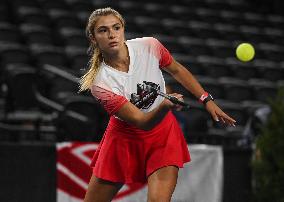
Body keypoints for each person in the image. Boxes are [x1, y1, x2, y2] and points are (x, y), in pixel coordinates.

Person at [79, 7, 236, 202]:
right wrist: (164, 106)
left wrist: (206, 99)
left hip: (163, 134)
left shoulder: (149, 46)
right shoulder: (100, 83)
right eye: (103, 30)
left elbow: (177, 70)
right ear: (93, 39)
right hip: (124, 138)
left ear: (123, 29)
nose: (112, 34)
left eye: (116, 27)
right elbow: (141, 121)